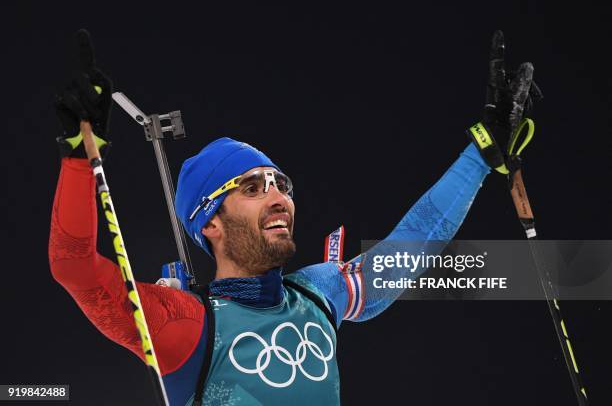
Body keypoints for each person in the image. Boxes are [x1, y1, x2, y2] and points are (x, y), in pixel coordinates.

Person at [49, 30, 538, 405]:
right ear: (210, 223)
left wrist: (479, 157)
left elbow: (411, 245)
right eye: (252, 187)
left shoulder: (319, 292)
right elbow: (74, 265)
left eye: (281, 184)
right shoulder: (187, 326)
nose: (279, 196)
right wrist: (77, 159)